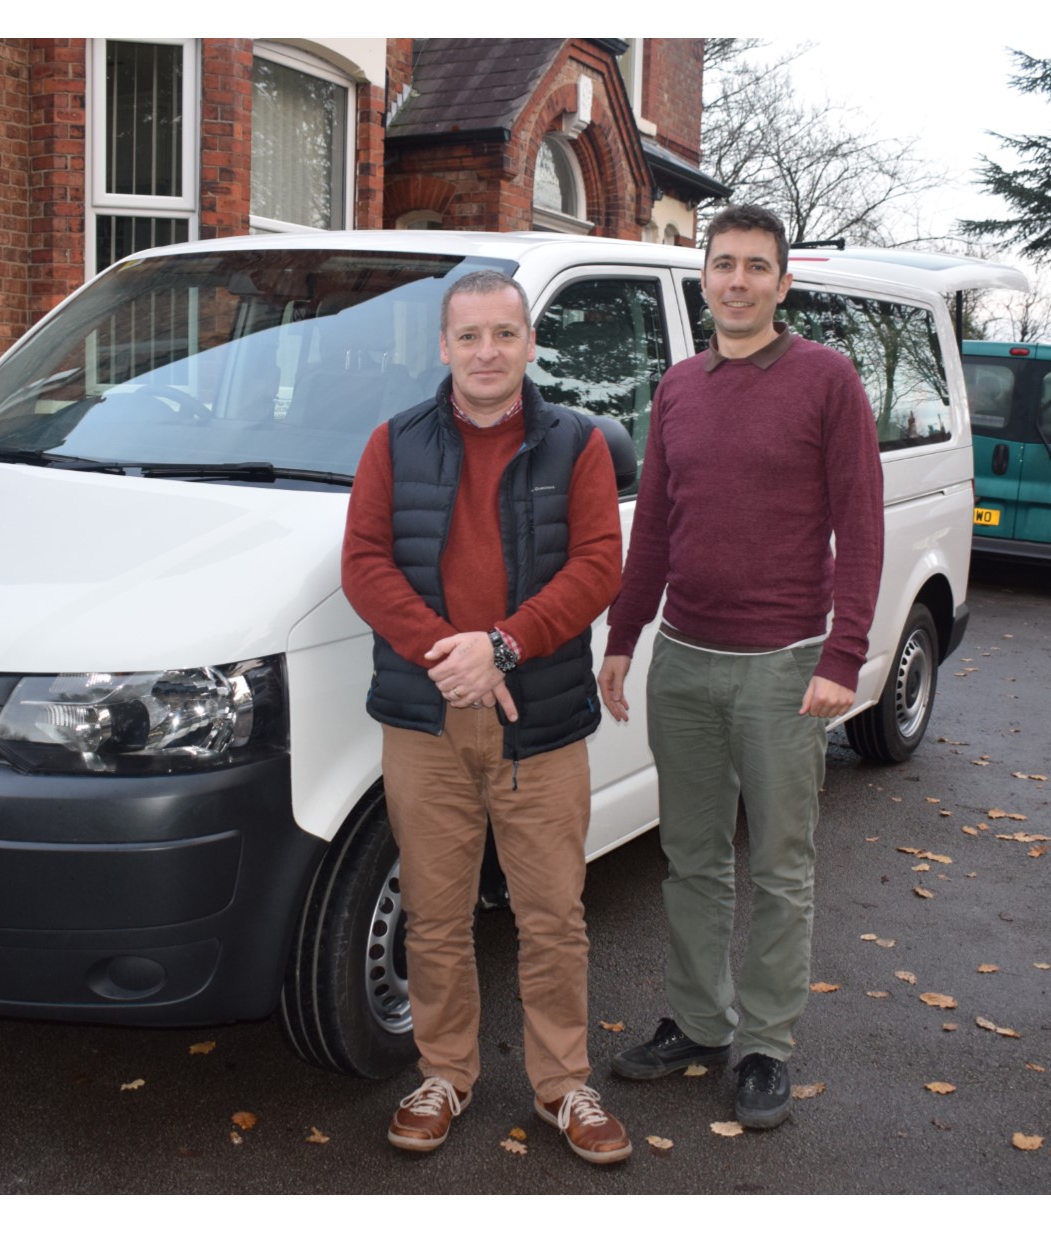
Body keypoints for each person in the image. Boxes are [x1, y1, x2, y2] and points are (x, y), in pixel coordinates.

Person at [599, 203, 885, 1129]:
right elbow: (657, 532)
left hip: (782, 665)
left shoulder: (826, 379)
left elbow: (863, 525)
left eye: (756, 267)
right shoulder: (679, 386)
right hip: (683, 659)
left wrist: (844, 654)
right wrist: (622, 636)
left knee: (780, 867)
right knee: (690, 860)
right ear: (703, 275)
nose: (737, 281)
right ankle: (697, 1021)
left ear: (783, 282)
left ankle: (765, 1045)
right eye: (723, 265)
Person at [340, 268, 630, 1164]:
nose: (487, 353)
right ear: (443, 347)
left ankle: (563, 1087)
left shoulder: (578, 443)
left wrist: (500, 647)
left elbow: (596, 568)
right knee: (434, 915)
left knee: (552, 915)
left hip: (538, 725)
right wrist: (450, 657)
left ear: (529, 344)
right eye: (469, 337)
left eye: (504, 335)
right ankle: (445, 1074)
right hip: (425, 725)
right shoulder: (393, 443)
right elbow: (364, 565)